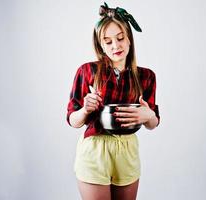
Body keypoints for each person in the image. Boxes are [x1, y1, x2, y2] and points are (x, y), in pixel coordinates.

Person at [66, 2, 160, 200]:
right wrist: (84, 109)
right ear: (100, 45)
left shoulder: (146, 76)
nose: (115, 46)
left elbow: (153, 123)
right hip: (95, 151)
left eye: (120, 38)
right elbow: (73, 121)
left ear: (129, 39)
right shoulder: (87, 71)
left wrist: (149, 114)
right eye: (108, 42)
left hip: (127, 150)